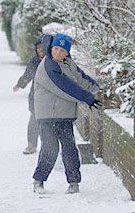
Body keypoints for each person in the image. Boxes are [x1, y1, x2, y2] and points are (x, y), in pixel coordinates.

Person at [32, 33, 102, 194]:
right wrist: (87, 98)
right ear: (51, 48)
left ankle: (73, 182)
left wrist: (97, 88)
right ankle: (39, 181)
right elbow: (65, 87)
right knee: (50, 148)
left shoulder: (68, 62)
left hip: (65, 115)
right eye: (56, 48)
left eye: (62, 50)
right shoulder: (48, 66)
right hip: (47, 116)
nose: (58, 53)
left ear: (67, 53)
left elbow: (80, 78)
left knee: (70, 148)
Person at [13, 34, 53, 155]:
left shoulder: (53, 61)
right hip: (35, 96)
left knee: (50, 122)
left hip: (50, 97)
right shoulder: (35, 61)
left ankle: (50, 145)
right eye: (38, 48)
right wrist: (20, 84)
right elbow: (28, 74)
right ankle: (32, 145)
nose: (40, 50)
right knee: (34, 119)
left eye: (42, 48)